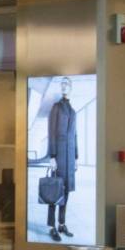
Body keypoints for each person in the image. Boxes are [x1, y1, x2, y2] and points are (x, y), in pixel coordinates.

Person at [42, 76, 78, 240]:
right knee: (55, 191)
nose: (64, 86)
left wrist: (76, 157)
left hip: (70, 157)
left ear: (71, 88)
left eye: (67, 84)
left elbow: (75, 135)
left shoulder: (72, 110)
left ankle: (62, 224)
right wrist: (52, 156)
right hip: (60, 156)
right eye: (62, 84)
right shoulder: (56, 107)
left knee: (66, 192)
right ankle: (51, 226)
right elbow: (51, 132)